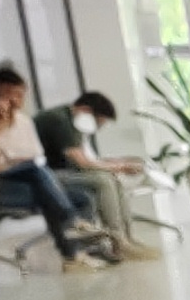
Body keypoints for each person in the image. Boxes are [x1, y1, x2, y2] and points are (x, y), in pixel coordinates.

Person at [0, 66, 115, 262]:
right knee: (39, 176)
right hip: (0, 182)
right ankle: (72, 230)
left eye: (20, 95)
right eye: (9, 94)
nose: (15, 100)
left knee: (82, 198)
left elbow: (35, 155)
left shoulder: (24, 121)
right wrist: (1, 124)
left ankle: (84, 251)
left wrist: (8, 157)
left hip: (29, 176)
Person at [34, 87, 164, 259]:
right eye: (98, 123)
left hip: (59, 173)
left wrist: (117, 164)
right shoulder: (59, 121)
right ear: (86, 111)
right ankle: (119, 242)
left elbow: (86, 159)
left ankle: (127, 239)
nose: (97, 129)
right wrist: (121, 167)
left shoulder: (70, 120)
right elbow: (82, 163)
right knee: (104, 180)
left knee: (111, 177)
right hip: (43, 177)